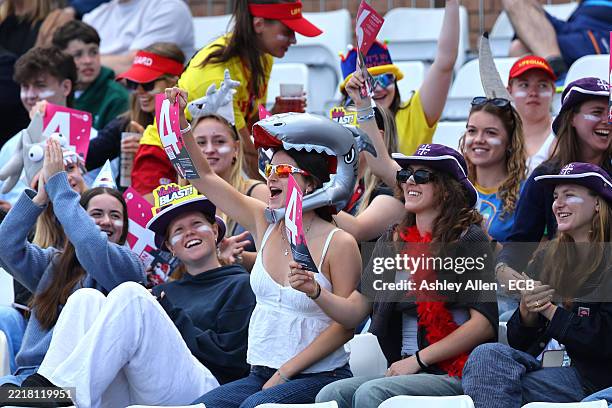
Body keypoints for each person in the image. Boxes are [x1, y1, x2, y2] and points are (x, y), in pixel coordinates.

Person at [163, 85, 361, 406]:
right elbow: (202, 176)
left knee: (256, 407)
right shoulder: (263, 220)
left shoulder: (339, 242)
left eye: (283, 171)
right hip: (261, 373)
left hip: (320, 376)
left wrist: (284, 374)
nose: (271, 178)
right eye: (269, 170)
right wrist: (180, 123)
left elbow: (345, 327)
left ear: (310, 180)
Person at [290, 144, 497, 408]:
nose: (410, 180)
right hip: (401, 366)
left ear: (448, 189)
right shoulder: (391, 241)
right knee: (331, 395)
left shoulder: (469, 239)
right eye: (405, 174)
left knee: (370, 395)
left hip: (452, 371)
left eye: (422, 176)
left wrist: (418, 360)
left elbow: (483, 325)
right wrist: (316, 291)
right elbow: (355, 311)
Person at [16, 194, 255, 407]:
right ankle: (37, 396)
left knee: (131, 293)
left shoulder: (239, 284)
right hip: (144, 388)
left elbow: (232, 362)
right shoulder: (163, 291)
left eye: (197, 224)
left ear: (215, 232)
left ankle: (64, 395)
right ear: (170, 247)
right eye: (178, 230)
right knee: (85, 298)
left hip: (207, 389)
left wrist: (174, 318)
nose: (189, 232)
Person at [462, 162, 612, 407]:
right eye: (555, 197)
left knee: (491, 383)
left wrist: (550, 310)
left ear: (598, 203)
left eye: (569, 195)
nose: (558, 204)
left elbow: (604, 341)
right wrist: (526, 312)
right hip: (547, 369)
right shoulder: (549, 256)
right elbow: (519, 339)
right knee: (486, 355)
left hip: (594, 379)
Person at [0, 137, 145, 385]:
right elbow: (5, 246)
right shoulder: (53, 264)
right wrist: (39, 199)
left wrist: (60, 186)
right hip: (30, 377)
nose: (106, 221)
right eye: (96, 214)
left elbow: (91, 245)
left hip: (81, 385)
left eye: (115, 215)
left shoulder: (131, 267)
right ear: (76, 221)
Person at [140, 0, 322, 181]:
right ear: (259, 24)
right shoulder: (217, 75)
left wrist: (275, 113)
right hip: (162, 157)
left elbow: (246, 126)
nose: (294, 39)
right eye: (287, 32)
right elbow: (245, 151)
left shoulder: (263, 57)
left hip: (200, 159)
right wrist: (274, 190)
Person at [496, 77, 611, 289]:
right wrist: (506, 272)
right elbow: (520, 245)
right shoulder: (545, 177)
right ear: (572, 119)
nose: (608, 120)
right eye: (597, 112)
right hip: (562, 290)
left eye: (611, 113)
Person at [338, 0, 460, 157]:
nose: (379, 88)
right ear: (350, 90)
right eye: (369, 82)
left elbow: (445, 63)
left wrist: (451, 3)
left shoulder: (414, 115)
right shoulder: (342, 126)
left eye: (386, 78)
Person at [88, 43, 184, 191]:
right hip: (131, 208)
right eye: (133, 83)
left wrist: (151, 150)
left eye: (148, 84)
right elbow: (85, 157)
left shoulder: (188, 123)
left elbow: (196, 175)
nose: (138, 91)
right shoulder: (125, 122)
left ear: (174, 83)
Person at [189, 113, 268, 269]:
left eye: (219, 141)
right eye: (201, 143)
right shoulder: (184, 200)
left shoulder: (259, 193)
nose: (210, 149)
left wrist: (239, 257)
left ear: (236, 148)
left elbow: (281, 256)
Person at [0, 46, 77, 206]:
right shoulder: (11, 145)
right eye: (25, 86)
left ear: (66, 87)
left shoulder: (92, 138)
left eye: (40, 85)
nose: (30, 95)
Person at [461, 97, 527, 244]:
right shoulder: (452, 189)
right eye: (472, 131)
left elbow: (532, 260)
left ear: (510, 141)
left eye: (490, 133)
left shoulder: (527, 194)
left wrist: (486, 240)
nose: (478, 139)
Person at [52, 19, 129, 130]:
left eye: (93, 52)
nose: (88, 60)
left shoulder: (116, 97)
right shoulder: (53, 91)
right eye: (78, 55)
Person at [503, 0, 612, 77]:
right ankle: (556, 69)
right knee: (515, 2)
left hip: (602, 33)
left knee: (519, 49)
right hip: (572, 26)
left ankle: (556, 74)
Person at [82, 0, 193, 74]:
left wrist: (80, 60)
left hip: (152, 102)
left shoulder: (170, 7)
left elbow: (138, 66)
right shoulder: (94, 16)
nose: (86, 60)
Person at [506, 55, 557, 174]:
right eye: (524, 85)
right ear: (509, 91)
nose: (533, 93)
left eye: (542, 85)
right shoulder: (497, 134)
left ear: (553, 91)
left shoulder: (564, 133)